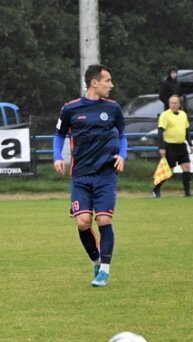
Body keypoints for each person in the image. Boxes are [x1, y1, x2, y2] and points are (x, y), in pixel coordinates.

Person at [53, 64, 127, 288]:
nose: (111, 85)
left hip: (105, 175)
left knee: (104, 218)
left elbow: (123, 135)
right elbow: (58, 134)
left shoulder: (113, 109)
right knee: (84, 222)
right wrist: (57, 156)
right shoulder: (71, 109)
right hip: (81, 176)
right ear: (95, 82)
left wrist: (122, 155)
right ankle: (96, 261)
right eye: (107, 80)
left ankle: (104, 270)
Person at [154, 94, 193, 198]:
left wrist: (190, 144)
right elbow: (160, 131)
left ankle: (187, 192)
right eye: (171, 103)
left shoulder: (183, 115)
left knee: (186, 167)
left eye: (176, 103)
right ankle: (156, 189)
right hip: (170, 146)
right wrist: (161, 147)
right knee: (169, 171)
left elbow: (187, 130)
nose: (173, 105)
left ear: (179, 104)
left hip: (181, 146)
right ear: (169, 104)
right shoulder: (165, 115)